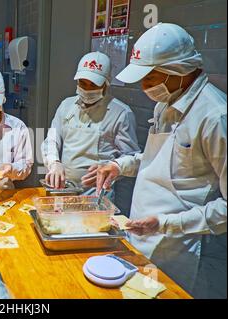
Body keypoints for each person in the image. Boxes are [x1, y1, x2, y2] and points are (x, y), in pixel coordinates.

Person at [96, 23, 227, 298]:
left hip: (179, 245)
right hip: (141, 230)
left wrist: (166, 224)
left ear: (179, 70)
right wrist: (121, 165)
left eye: (150, 78)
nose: (144, 87)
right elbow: (160, 157)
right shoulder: (166, 103)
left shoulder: (215, 117)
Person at [41, 51, 140, 191]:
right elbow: (51, 140)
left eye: (93, 85)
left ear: (106, 84)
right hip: (64, 187)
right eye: (83, 83)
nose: (87, 89)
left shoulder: (121, 113)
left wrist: (113, 167)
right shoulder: (66, 105)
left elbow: (130, 157)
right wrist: (54, 163)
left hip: (98, 191)